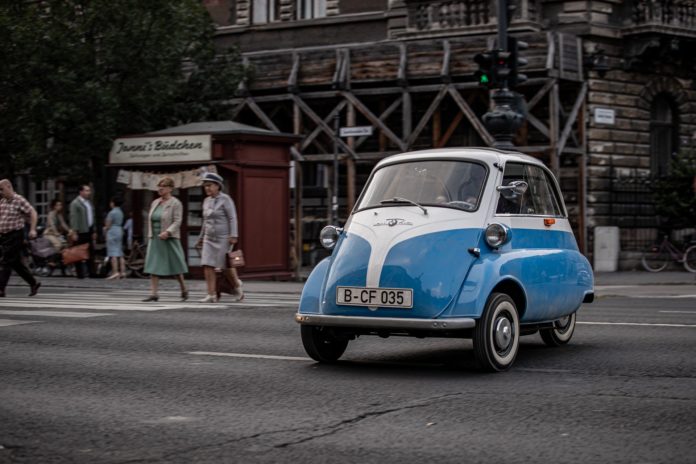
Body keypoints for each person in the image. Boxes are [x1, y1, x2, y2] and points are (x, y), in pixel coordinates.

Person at [196, 172, 243, 303]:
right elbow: (205, 221)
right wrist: (201, 237)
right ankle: (211, 294)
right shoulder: (206, 201)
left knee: (225, 266)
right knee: (207, 265)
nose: (207, 188)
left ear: (218, 186)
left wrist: (233, 235)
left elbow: (232, 217)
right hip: (209, 238)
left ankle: (238, 287)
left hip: (223, 237)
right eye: (205, 186)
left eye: (210, 185)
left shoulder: (225, 199)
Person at [142, 176, 188, 302]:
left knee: (175, 265)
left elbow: (178, 220)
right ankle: (154, 293)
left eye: (163, 186)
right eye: (159, 186)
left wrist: (168, 232)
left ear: (170, 188)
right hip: (155, 237)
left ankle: (184, 288)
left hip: (169, 237)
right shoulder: (155, 202)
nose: (160, 188)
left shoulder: (175, 203)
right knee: (153, 264)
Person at [0, 179, 41, 297]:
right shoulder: (2, 202)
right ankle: (33, 283)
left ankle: (1, 289)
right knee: (15, 263)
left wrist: (33, 229)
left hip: (15, 235)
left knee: (6, 261)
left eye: (2, 189)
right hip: (4, 236)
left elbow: (32, 212)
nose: (0, 192)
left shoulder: (19, 200)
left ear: (9, 186)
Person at [69, 185, 97, 278]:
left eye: (89, 191)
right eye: (86, 190)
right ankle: (80, 273)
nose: (89, 192)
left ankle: (92, 272)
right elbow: (74, 218)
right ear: (81, 192)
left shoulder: (89, 203)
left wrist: (94, 230)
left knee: (90, 252)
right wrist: (74, 231)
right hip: (80, 230)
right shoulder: (75, 203)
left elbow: (92, 216)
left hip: (89, 229)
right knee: (78, 252)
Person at [104, 197, 126, 279]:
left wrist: (105, 229)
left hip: (112, 231)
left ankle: (115, 271)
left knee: (113, 252)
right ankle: (123, 272)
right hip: (119, 230)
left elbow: (108, 224)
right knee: (120, 252)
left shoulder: (111, 213)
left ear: (113, 203)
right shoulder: (120, 212)